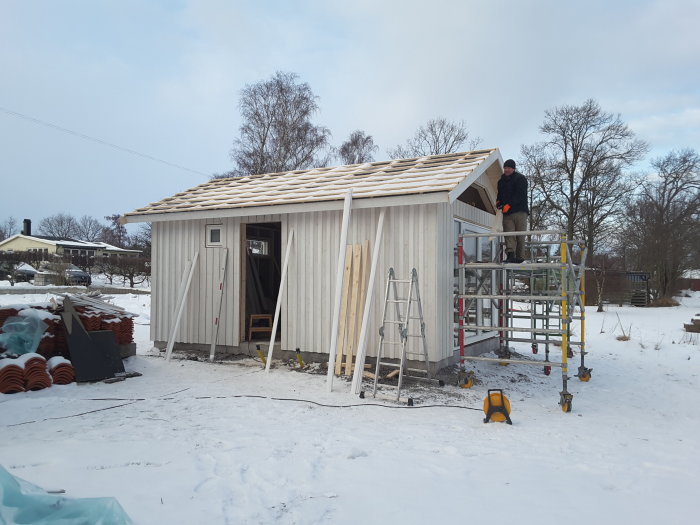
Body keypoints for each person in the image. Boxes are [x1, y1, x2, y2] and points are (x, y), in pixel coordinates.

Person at [496, 159, 529, 263]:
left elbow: (521, 195)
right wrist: (498, 202)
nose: (506, 170)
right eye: (505, 168)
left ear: (513, 169)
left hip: (520, 211)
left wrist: (509, 205)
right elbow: (500, 195)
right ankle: (510, 255)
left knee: (520, 235)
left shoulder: (520, 179)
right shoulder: (501, 181)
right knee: (509, 234)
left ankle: (520, 257)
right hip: (507, 213)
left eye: (509, 168)